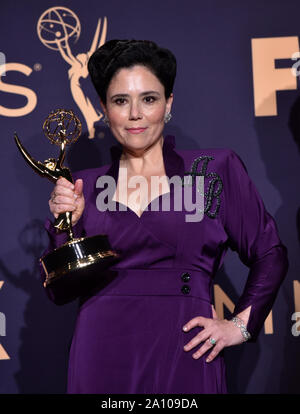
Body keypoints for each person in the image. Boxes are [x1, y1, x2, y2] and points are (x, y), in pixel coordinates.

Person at [41, 39, 289, 394]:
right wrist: (64, 226)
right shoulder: (84, 188)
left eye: (149, 99)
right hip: (100, 352)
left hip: (185, 350)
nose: (135, 114)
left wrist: (240, 325)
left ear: (168, 103)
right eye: (120, 101)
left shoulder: (212, 171)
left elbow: (270, 253)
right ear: (103, 109)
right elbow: (60, 292)